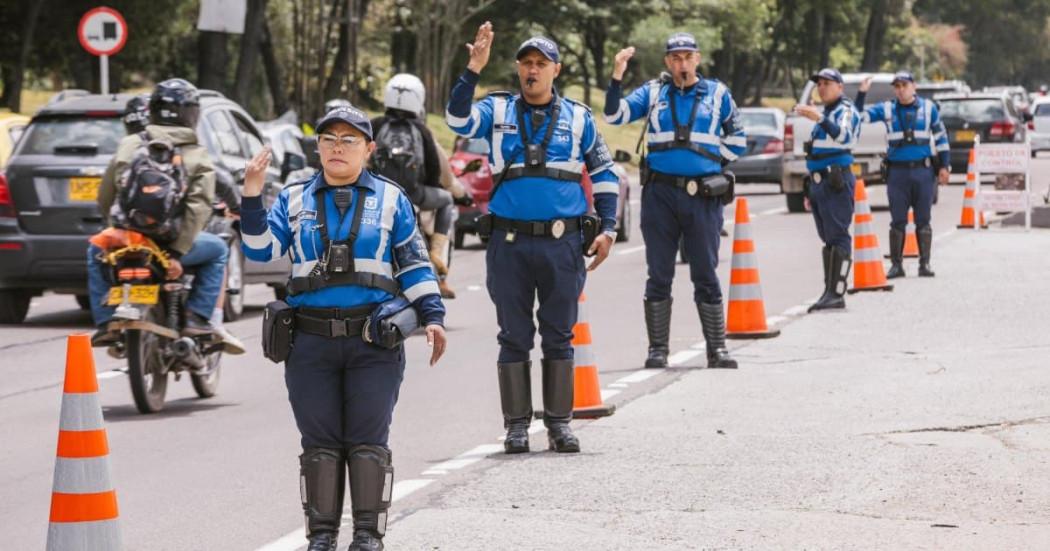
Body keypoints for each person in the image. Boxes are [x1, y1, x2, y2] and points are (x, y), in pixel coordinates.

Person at [240, 104, 447, 551]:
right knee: (320, 444)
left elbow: (414, 264)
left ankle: (368, 537)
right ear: (318, 147)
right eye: (329, 138)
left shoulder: (392, 199)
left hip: (373, 342)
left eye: (349, 139)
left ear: (368, 149)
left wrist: (432, 316)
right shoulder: (294, 198)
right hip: (309, 344)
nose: (337, 147)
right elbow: (260, 250)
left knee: (368, 440)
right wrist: (252, 196)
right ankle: (322, 537)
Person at [446, 24, 619, 454]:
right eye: (526, 63)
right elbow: (456, 119)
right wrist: (472, 70)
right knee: (514, 334)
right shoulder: (498, 111)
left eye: (541, 64)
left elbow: (603, 175)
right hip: (509, 244)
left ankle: (560, 424)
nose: (533, 71)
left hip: (563, 244)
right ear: (518, 68)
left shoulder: (579, 117)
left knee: (560, 335)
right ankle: (517, 428)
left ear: (555, 70)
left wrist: (610, 227)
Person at [604, 32, 745, 369]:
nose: (682, 63)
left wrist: (713, 166)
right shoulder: (654, 92)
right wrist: (617, 74)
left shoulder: (718, 94)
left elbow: (738, 138)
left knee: (705, 272)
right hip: (660, 195)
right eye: (676, 58)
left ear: (697, 59)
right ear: (668, 62)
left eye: (688, 57)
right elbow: (614, 115)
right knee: (659, 273)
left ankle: (717, 348)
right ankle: (657, 350)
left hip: (702, 196)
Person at [89, 78, 227, 347]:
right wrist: (177, 253)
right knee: (219, 250)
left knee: (94, 253)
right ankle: (197, 317)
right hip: (169, 242)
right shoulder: (198, 155)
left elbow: (104, 196)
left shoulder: (129, 144)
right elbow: (197, 208)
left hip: (128, 240)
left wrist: (116, 231)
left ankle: (106, 322)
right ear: (192, 115)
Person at [371, 74, 472, 299]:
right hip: (415, 195)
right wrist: (428, 186)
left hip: (376, 196)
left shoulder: (375, 125)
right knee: (445, 199)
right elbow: (436, 169)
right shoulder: (422, 129)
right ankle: (436, 253)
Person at [857, 71, 949, 278]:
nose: (900, 90)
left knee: (923, 220)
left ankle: (924, 264)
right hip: (897, 174)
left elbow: (941, 138)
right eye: (896, 86)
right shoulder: (887, 108)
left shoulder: (928, 108)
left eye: (904, 85)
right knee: (897, 221)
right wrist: (862, 94)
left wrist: (944, 166)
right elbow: (859, 117)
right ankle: (896, 265)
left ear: (914, 86)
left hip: (923, 172)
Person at [793, 68, 860, 312]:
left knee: (838, 234)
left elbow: (844, 137)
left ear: (840, 87)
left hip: (836, 179)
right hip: (820, 181)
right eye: (819, 84)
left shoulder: (845, 111)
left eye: (827, 83)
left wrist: (820, 118)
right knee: (827, 238)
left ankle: (836, 293)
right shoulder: (827, 112)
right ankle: (828, 291)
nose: (821, 88)